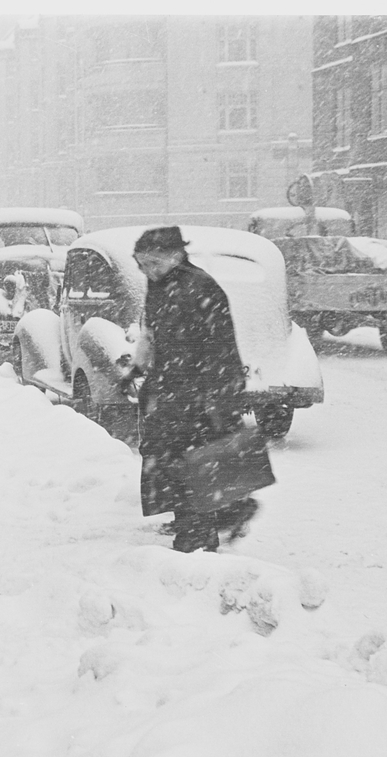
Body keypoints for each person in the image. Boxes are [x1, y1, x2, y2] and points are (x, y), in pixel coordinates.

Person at [133, 226, 258, 553]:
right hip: (171, 387)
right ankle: (221, 513)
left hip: (197, 391)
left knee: (190, 464)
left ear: (175, 255)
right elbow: (154, 333)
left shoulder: (201, 287)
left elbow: (221, 347)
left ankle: (195, 540)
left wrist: (220, 396)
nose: (147, 270)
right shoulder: (159, 285)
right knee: (170, 462)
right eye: (141, 264)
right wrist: (140, 367)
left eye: (153, 263)